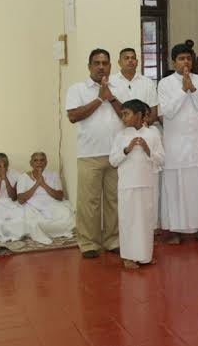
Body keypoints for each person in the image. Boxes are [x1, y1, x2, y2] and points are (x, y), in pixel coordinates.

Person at [65, 48, 122, 258]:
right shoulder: (77, 89)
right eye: (96, 63)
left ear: (110, 66)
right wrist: (99, 99)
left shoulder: (118, 87)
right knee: (89, 202)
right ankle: (88, 243)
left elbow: (128, 116)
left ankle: (113, 239)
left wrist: (111, 98)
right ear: (89, 66)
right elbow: (73, 116)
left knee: (113, 200)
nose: (101, 67)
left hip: (116, 154)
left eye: (105, 63)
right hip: (89, 154)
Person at [157, 43, 198, 244]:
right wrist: (183, 90)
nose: (186, 62)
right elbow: (167, 112)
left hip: (197, 145)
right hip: (174, 145)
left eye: (188, 58)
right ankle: (175, 231)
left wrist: (193, 90)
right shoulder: (165, 83)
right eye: (181, 59)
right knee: (175, 188)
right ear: (174, 62)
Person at [110, 99, 165, 269]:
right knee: (128, 220)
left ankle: (144, 256)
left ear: (139, 115)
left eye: (127, 114)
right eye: (122, 114)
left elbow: (162, 159)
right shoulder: (121, 136)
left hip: (147, 184)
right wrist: (126, 150)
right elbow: (113, 160)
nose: (123, 118)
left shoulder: (153, 134)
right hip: (127, 185)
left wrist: (149, 151)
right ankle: (128, 256)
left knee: (146, 221)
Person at [0, 153, 48, 243]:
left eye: (5, 165)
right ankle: (3, 236)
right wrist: (0, 180)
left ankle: (16, 235)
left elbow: (13, 197)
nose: (3, 169)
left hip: (10, 203)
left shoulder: (14, 174)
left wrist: (6, 179)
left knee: (20, 217)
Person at [17, 152, 75, 240]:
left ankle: (51, 230)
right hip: (32, 205)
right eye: (36, 160)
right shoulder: (23, 177)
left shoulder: (53, 174)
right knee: (35, 223)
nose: (39, 163)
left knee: (68, 216)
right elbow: (21, 200)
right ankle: (55, 230)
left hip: (51, 203)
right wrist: (37, 184)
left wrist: (44, 184)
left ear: (46, 163)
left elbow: (59, 196)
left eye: (42, 160)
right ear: (31, 163)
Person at [111, 47, 160, 125]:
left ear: (137, 62)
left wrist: (141, 126)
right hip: (118, 132)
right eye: (126, 58)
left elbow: (153, 113)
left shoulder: (148, 82)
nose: (130, 60)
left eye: (133, 58)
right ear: (119, 62)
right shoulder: (110, 82)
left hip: (142, 132)